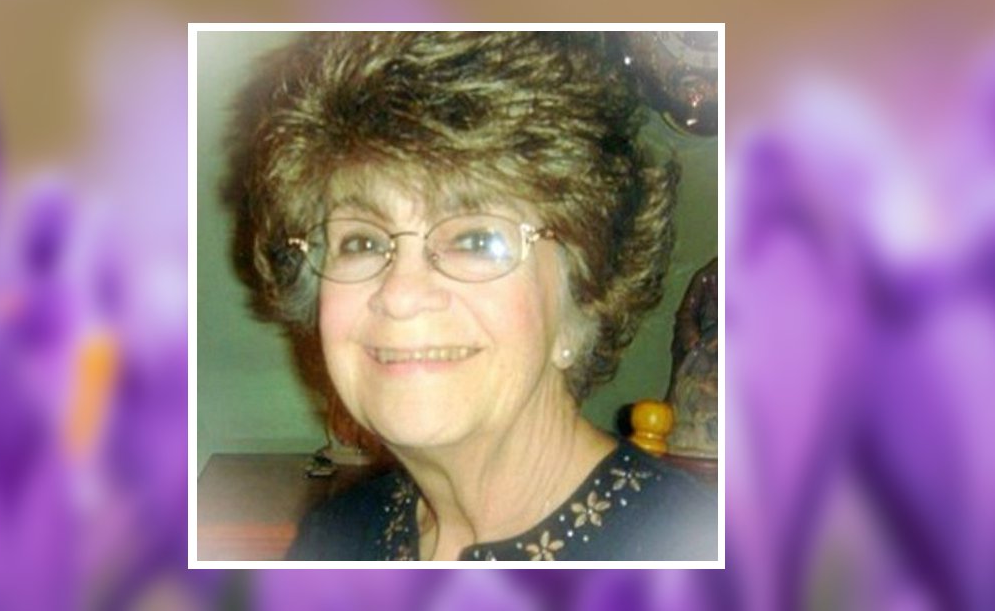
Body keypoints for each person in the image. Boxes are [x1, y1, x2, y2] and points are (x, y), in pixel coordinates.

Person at [220, 32, 716, 561]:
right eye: (362, 242)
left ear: (582, 300)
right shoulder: (336, 539)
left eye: (476, 240)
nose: (400, 295)